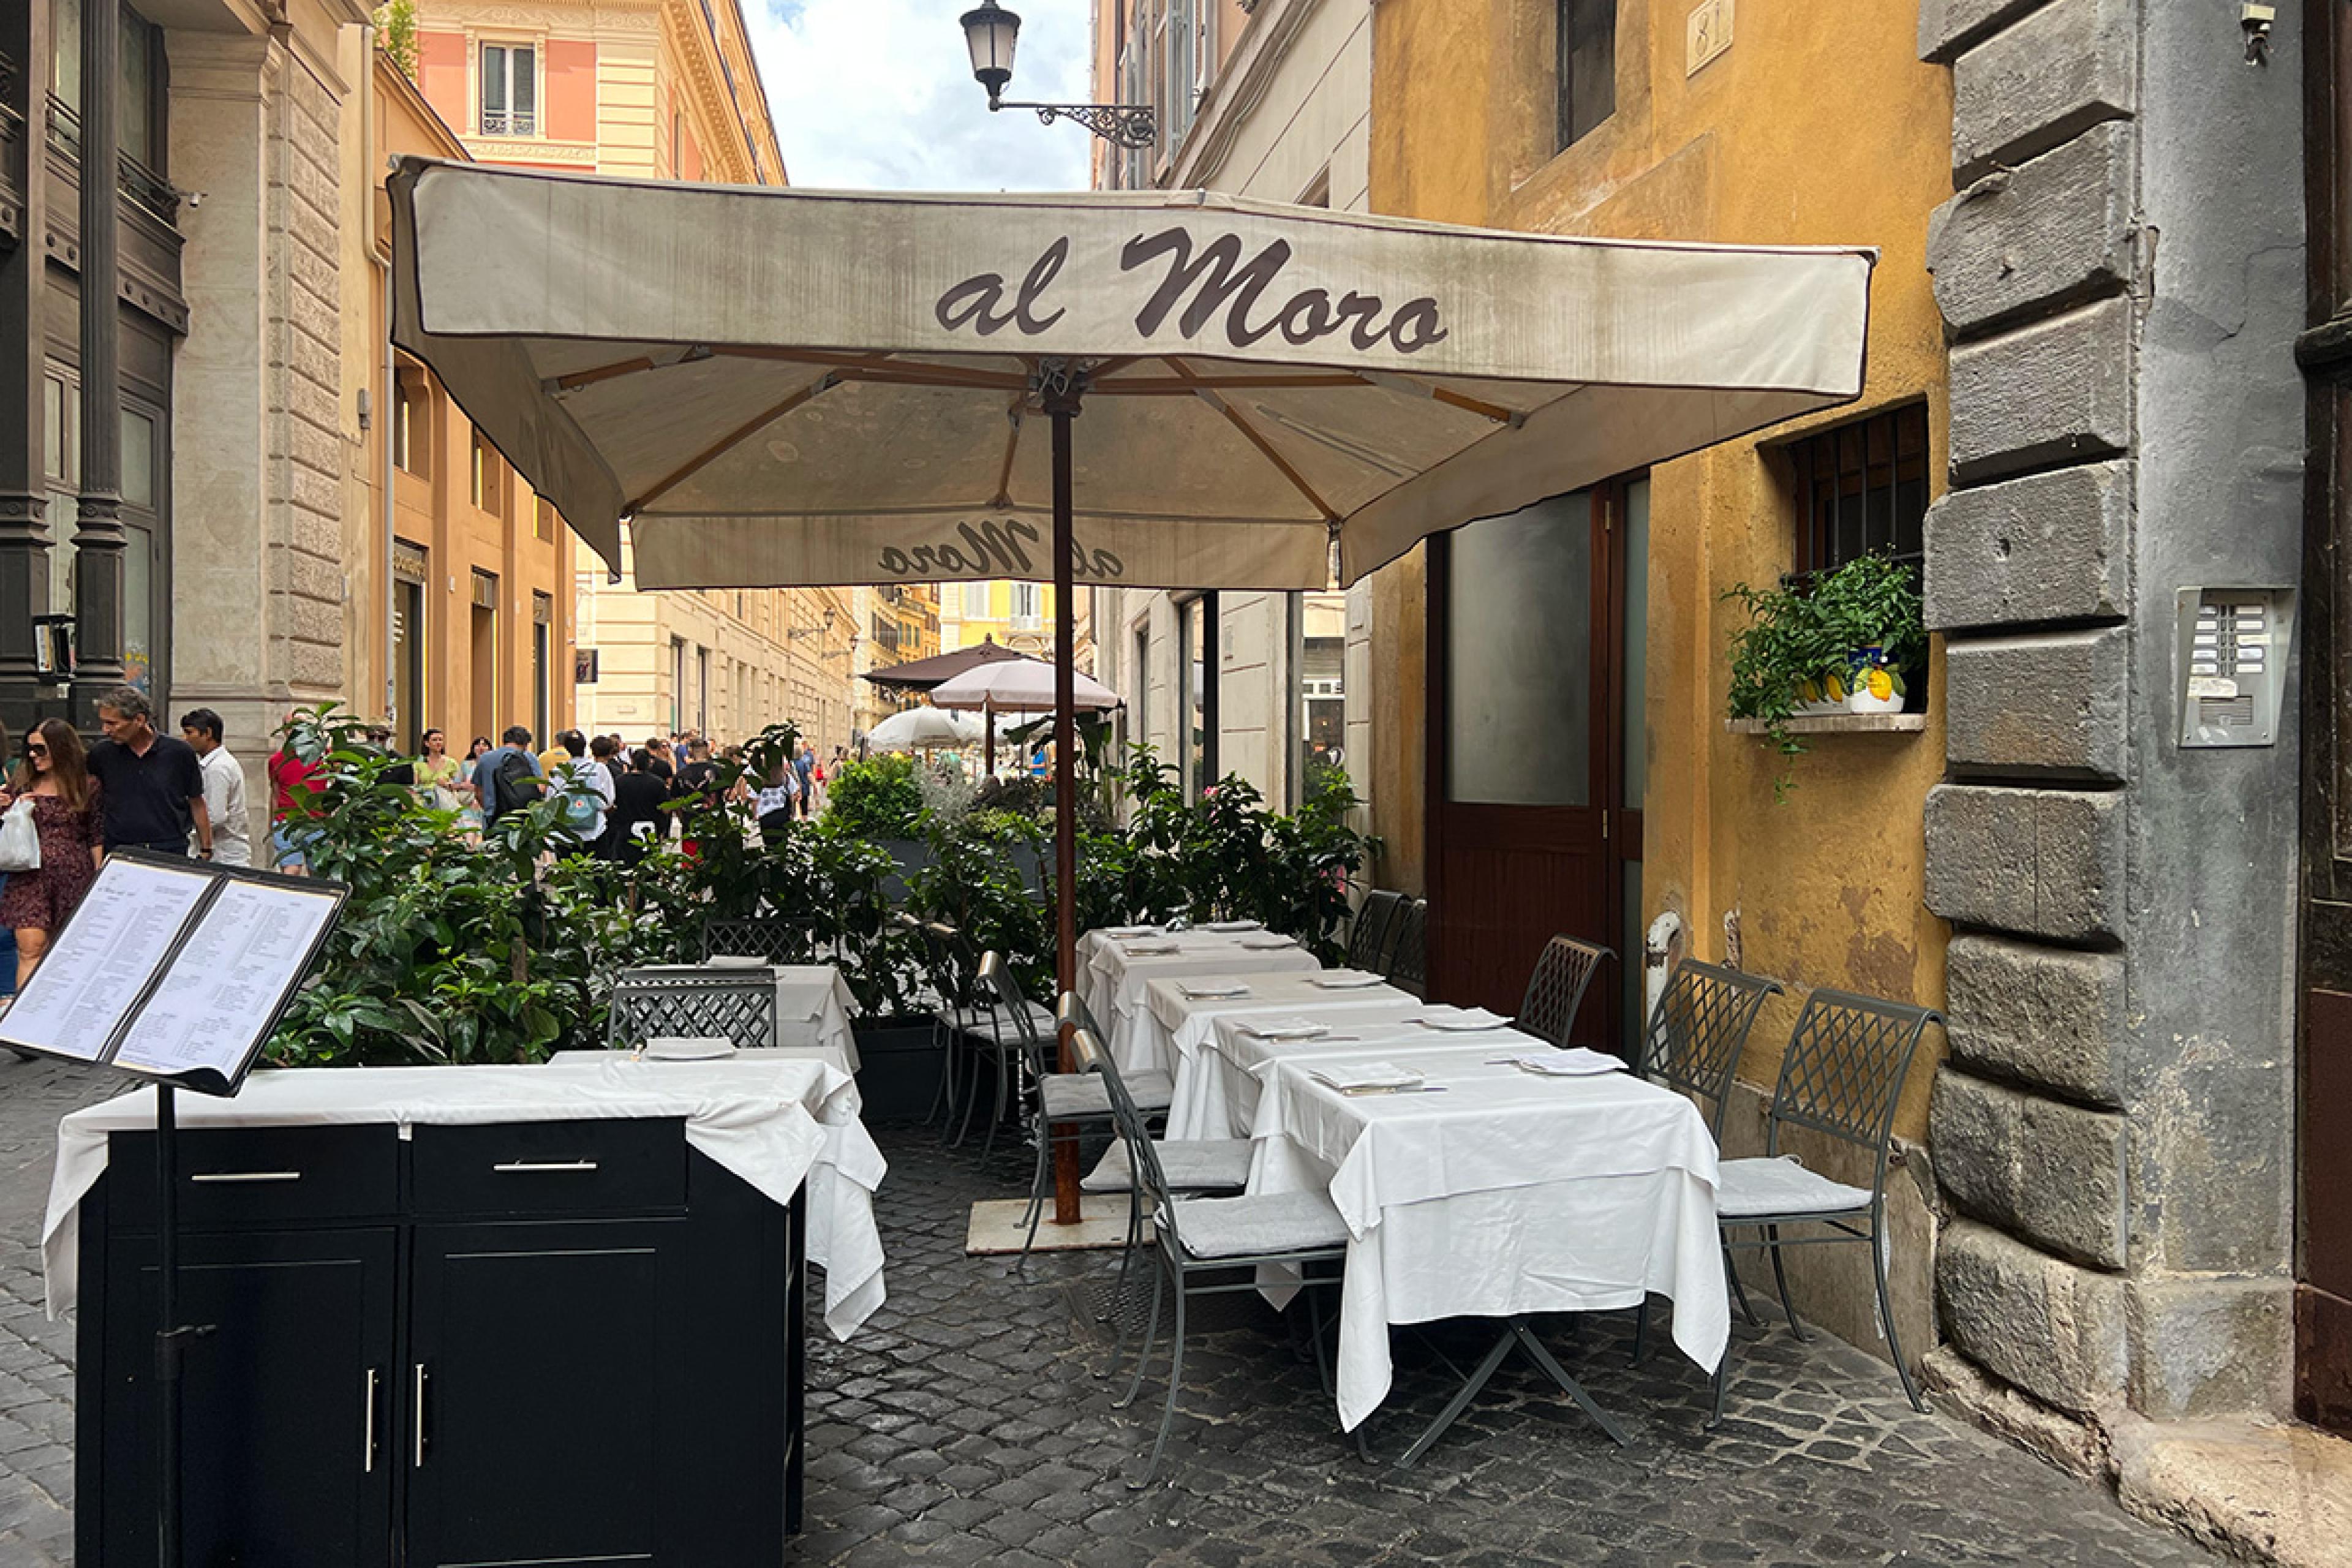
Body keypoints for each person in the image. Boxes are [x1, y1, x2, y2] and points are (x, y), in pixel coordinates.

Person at [1, 720, 104, 989]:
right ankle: (24, 1018)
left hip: (73, 874)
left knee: (64, 950)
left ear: (60, 749)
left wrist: (98, 877)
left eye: (40, 749)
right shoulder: (21, 785)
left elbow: (95, 834)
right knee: (30, 947)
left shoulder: (87, 786)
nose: (33, 755)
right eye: (29, 749)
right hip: (29, 875)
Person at [88, 687, 211, 859]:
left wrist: (206, 849)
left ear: (139, 720)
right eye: (104, 723)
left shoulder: (179, 753)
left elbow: (196, 801)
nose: (106, 730)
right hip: (120, 849)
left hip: (169, 849)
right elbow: (93, 805)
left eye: (112, 723)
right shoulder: (102, 754)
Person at [177, 708, 252, 867]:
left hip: (223, 854)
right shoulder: (214, 764)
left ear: (208, 733)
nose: (185, 739)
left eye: (190, 733)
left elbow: (215, 816)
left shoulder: (217, 768)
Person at [266, 718, 325, 872]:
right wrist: (272, 825)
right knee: (290, 871)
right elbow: (275, 794)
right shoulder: (276, 760)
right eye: (290, 727)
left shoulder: (323, 757)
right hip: (286, 822)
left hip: (317, 822)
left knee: (319, 873)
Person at [607, 749, 673, 868]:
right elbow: (666, 809)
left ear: (632, 761)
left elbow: (612, 805)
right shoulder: (657, 783)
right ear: (649, 763)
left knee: (626, 867)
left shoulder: (620, 781)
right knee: (649, 866)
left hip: (625, 829)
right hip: (650, 829)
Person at [472, 725, 545, 826]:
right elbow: (540, 787)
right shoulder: (529, 757)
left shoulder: (485, 759)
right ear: (525, 744)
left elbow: (478, 791)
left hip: (493, 818)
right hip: (522, 817)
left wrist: (489, 807)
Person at [417, 728, 469, 814]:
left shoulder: (452, 763)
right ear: (427, 743)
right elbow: (416, 785)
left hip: (445, 799)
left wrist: (446, 784)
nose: (438, 743)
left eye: (440, 740)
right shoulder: (420, 763)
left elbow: (460, 785)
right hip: (425, 799)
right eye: (434, 740)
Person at [793, 741, 817, 819]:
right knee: (804, 810)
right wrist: (815, 785)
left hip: (793, 790)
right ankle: (804, 824)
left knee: (793, 810)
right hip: (804, 789)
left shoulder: (790, 764)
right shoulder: (803, 763)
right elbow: (809, 775)